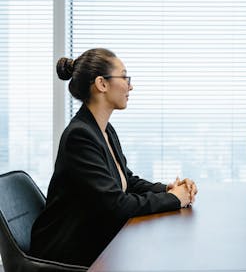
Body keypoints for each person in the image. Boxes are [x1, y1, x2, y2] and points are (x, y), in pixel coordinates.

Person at [30, 48, 198, 266]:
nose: (131, 85)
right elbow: (116, 205)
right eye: (125, 77)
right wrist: (175, 198)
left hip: (94, 240)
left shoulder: (105, 130)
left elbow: (127, 181)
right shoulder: (80, 136)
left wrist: (167, 189)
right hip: (66, 252)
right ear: (102, 84)